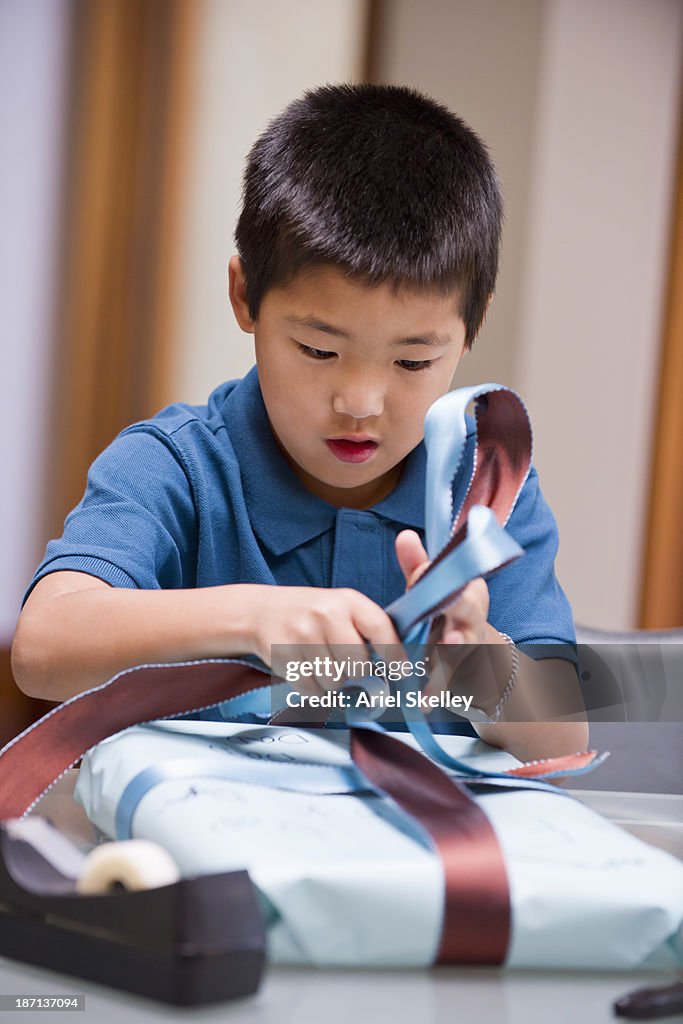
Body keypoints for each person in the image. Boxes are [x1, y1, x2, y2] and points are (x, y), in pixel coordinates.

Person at [11, 83, 586, 762]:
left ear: (470, 330)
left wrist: (474, 664)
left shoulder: (489, 493)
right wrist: (253, 619)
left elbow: (567, 728)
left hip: (417, 856)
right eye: (318, 350)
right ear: (244, 294)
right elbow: (43, 649)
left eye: (411, 361)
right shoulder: (177, 466)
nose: (360, 402)